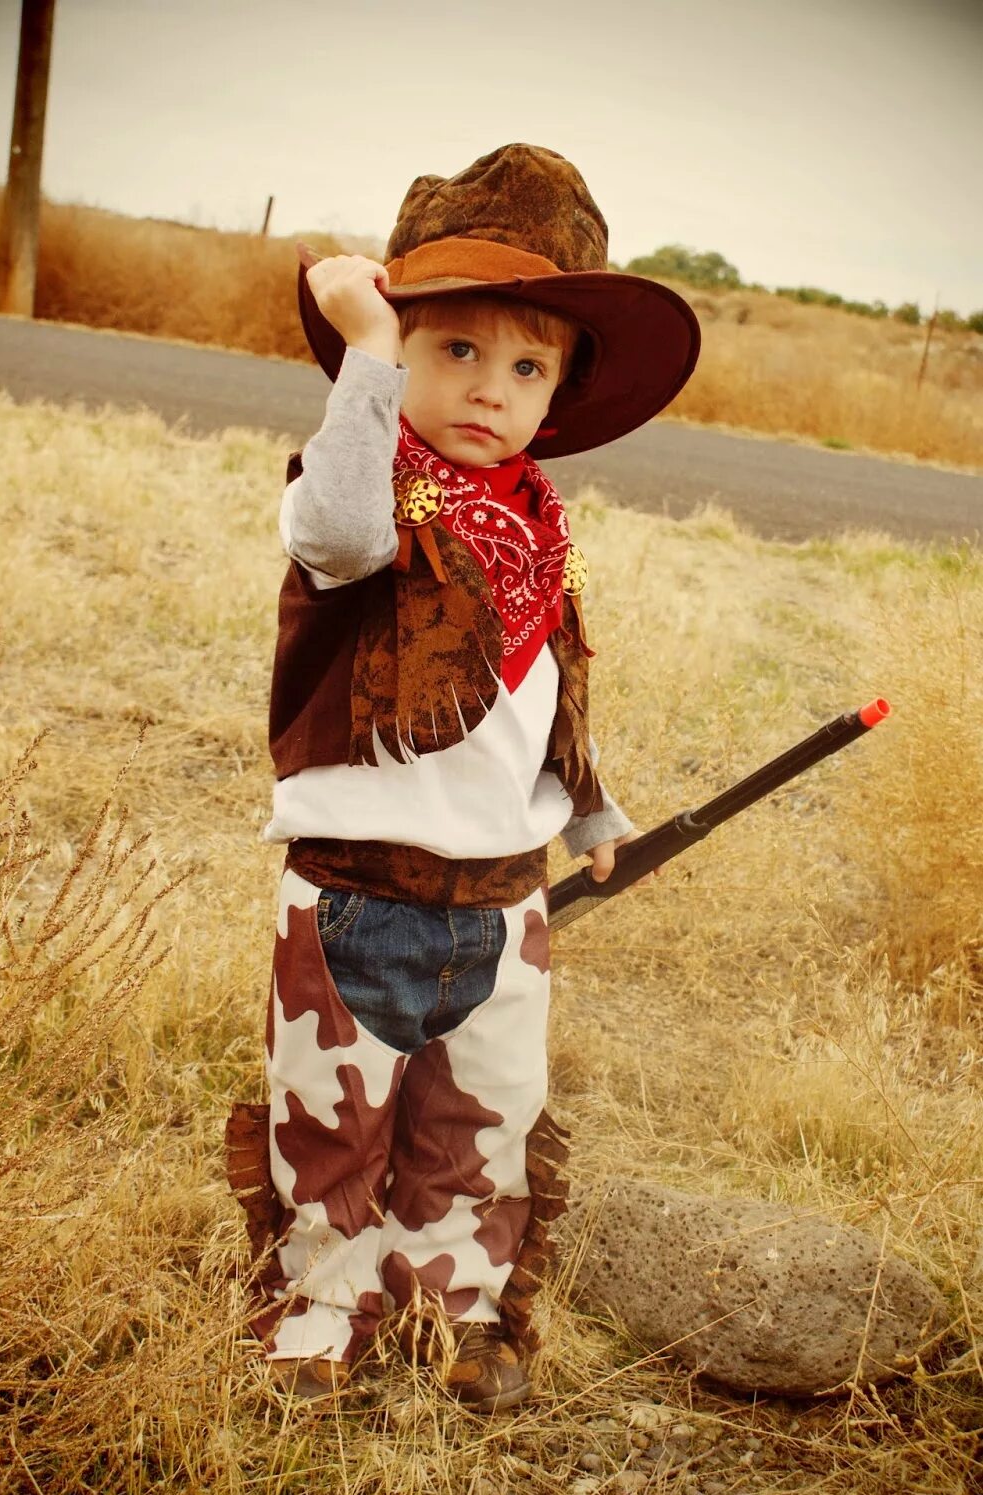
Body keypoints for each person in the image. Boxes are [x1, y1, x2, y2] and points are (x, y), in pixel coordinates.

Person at [226, 144, 699, 1411]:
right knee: (334, 1121)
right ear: (398, 352)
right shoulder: (362, 503)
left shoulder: (539, 533)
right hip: (352, 894)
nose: (491, 390)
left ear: (558, 394)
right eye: (455, 351)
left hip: (502, 898)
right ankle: (320, 1305)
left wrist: (590, 808)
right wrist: (367, 350)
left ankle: (455, 1304)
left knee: (479, 1123)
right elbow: (333, 527)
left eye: (527, 365)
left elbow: (549, 692)